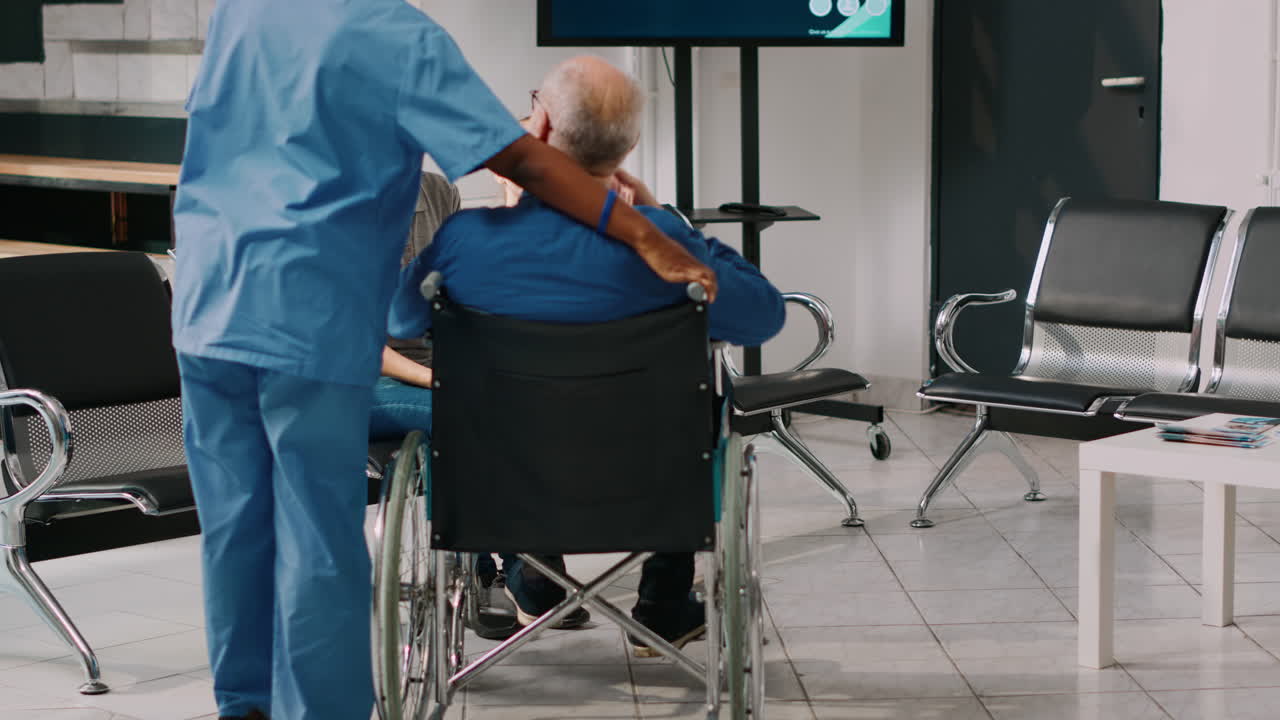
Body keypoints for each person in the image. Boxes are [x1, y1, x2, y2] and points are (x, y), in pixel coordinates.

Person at [172, 2, 718, 719]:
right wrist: (648, 236)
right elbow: (524, 157)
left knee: (235, 526)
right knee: (316, 537)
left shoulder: (246, 9)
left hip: (206, 297)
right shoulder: (397, 36)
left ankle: (243, 705)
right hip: (306, 306)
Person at [389, 55, 785, 657]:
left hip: (507, 480)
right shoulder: (663, 244)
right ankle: (663, 604)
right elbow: (764, 316)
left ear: (541, 127)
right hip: (650, 484)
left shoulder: (467, 241)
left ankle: (533, 578)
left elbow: (398, 319)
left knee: (493, 414)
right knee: (704, 394)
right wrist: (658, 216)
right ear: (627, 148)